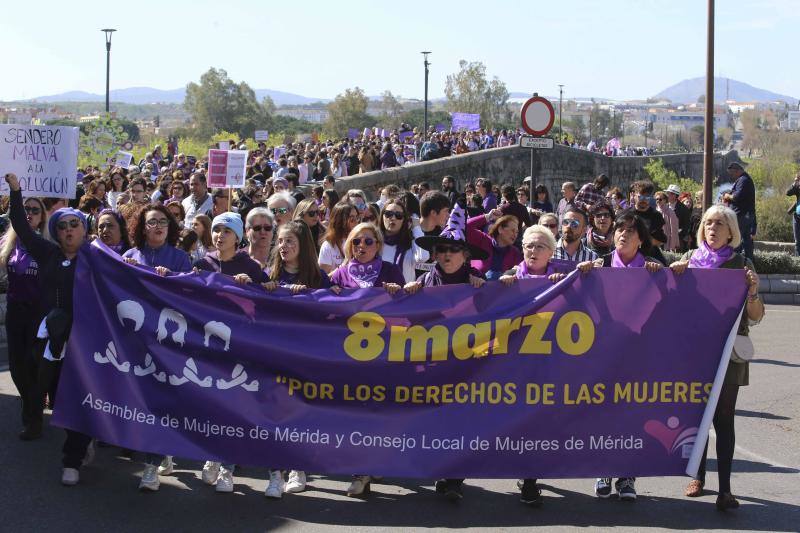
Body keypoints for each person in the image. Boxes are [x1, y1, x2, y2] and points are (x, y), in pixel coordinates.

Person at [670, 205, 764, 511]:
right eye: (708, 223)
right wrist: (674, 276)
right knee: (699, 417)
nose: (712, 228)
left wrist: (751, 291)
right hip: (695, 351)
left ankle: (725, 489)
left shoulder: (742, 264)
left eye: (719, 223)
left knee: (724, 418)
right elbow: (667, 301)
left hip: (729, 353)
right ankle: (698, 477)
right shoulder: (688, 261)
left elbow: (756, 315)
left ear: (731, 231)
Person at [5, 172, 92, 485]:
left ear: (85, 229)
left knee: (77, 394)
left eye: (74, 225)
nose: (68, 230)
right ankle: (80, 438)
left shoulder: (98, 259)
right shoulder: (48, 253)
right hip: (52, 338)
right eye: (62, 226)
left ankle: (73, 458)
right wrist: (16, 191)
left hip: (85, 340)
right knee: (55, 395)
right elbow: (22, 225)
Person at [405, 201, 487, 502]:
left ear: (465, 255)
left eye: (454, 250)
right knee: (435, 419)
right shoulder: (424, 282)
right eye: (442, 250)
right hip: (433, 365)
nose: (448, 255)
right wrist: (405, 293)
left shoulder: (476, 282)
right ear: (436, 254)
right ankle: (440, 468)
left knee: (460, 421)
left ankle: (454, 477)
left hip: (468, 366)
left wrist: (484, 286)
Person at [192, 212, 263, 494]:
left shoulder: (251, 266)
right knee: (211, 407)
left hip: (240, 348)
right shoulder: (202, 263)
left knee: (234, 409)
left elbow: (269, 301)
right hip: (208, 345)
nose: (220, 235)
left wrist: (255, 287)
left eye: (227, 231)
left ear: (238, 236)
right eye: (217, 229)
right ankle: (211, 456)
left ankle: (227, 468)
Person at [0, 194, 48, 440]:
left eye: (35, 210)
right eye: (25, 209)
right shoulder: (7, 244)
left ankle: (33, 418)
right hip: (15, 311)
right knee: (17, 369)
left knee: (34, 366)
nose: (29, 213)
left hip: (39, 313)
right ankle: (32, 405)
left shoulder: (47, 244)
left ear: (41, 218)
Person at [329, 222, 404, 295]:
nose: (361, 245)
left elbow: (406, 301)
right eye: (356, 241)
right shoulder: (340, 274)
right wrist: (330, 291)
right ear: (350, 245)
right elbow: (328, 302)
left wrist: (399, 290)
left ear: (378, 245)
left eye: (368, 241)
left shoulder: (392, 270)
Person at [122, 205, 192, 274]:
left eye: (163, 222)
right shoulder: (129, 255)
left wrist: (171, 277)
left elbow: (186, 284)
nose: (159, 226)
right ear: (143, 229)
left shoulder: (181, 258)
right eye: (152, 222)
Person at [466, 210, 522, 280]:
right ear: (500, 229)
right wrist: (486, 217)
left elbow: (519, 273)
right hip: (475, 289)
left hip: (502, 291)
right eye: (512, 230)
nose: (515, 235)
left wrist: (511, 275)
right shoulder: (483, 240)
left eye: (517, 232)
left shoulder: (515, 252)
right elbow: (464, 228)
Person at [379, 199, 423, 283]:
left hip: (405, 294)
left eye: (398, 215)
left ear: (404, 220)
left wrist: (416, 227)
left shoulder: (410, 243)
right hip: (381, 294)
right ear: (382, 216)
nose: (393, 218)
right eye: (388, 214)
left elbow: (422, 257)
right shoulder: (374, 243)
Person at [722, 162, 756, 261]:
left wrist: (727, 196)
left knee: (736, 240)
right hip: (745, 215)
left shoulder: (743, 180)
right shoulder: (743, 179)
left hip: (742, 216)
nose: (731, 176)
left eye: (732, 173)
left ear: (737, 171)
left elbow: (737, 197)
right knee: (746, 242)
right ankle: (748, 264)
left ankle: (735, 263)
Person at [319, 202, 359, 273]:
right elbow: (324, 279)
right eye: (352, 219)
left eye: (357, 217)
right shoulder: (328, 245)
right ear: (340, 221)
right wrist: (343, 265)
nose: (356, 222)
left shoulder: (361, 241)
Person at [666, 184, 692, 251]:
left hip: (677, 241)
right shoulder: (664, 206)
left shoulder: (683, 209)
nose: (668, 195)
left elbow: (686, 226)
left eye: (670, 193)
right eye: (667, 193)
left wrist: (677, 236)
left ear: (675, 195)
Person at [786, 172, 800, 256]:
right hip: (797, 217)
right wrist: (795, 183)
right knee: (798, 242)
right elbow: (788, 193)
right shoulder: (798, 187)